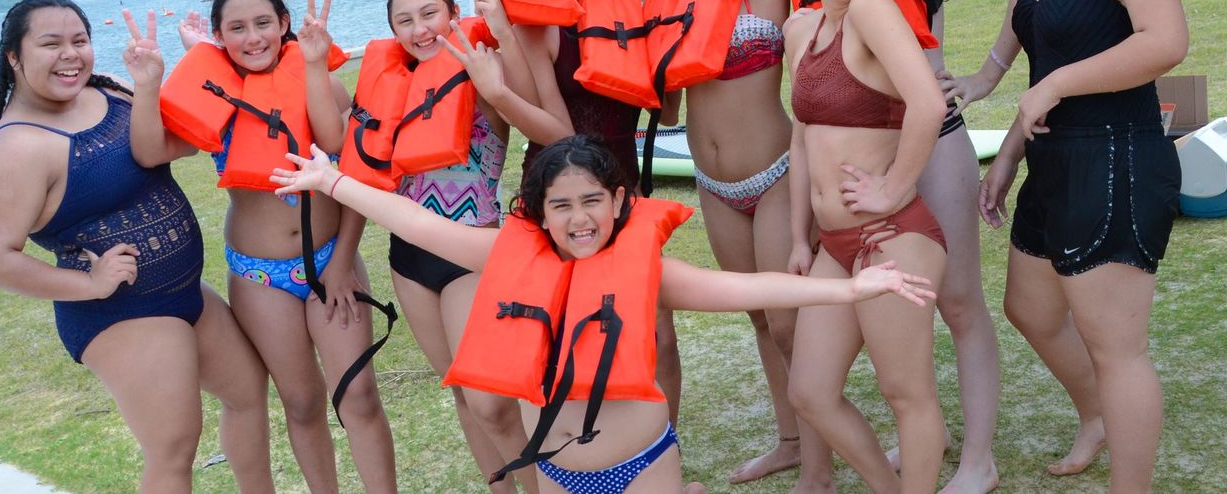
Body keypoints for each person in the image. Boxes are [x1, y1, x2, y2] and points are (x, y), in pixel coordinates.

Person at [273, 134, 936, 494]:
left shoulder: (644, 274)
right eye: (560, 206)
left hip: (643, 466)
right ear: (539, 214)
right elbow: (414, 220)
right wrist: (332, 182)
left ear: (619, 202)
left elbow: (746, 290)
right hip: (560, 473)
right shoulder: (506, 255)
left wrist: (847, 291)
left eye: (592, 201)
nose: (579, 218)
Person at [783, 0, 1031, 494]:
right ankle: (921, 438)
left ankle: (976, 457)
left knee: (956, 299)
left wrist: (987, 72)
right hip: (854, 163)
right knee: (885, 343)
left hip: (932, 140)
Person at [0, 0, 274, 493]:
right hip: (120, 314)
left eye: (80, 40)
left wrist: (169, 75)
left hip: (184, 292)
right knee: (174, 450)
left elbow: (176, 141)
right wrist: (88, 283)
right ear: (13, 57)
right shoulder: (16, 147)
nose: (71, 54)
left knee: (246, 392)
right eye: (51, 44)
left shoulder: (108, 91)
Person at [980, 0, 1186, 491]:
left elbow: (1167, 42)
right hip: (1053, 159)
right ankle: (1098, 416)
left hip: (1117, 156)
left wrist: (1059, 86)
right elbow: (1045, 62)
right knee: (1027, 308)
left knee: (1117, 348)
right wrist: (1008, 154)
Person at [129, 0, 397, 493]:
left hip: (329, 259)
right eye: (236, 28)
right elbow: (149, 151)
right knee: (300, 402)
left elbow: (356, 171)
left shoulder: (316, 77)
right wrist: (147, 84)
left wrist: (342, 261)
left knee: (358, 394)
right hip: (258, 275)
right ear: (218, 37)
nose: (252, 37)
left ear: (284, 25)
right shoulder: (218, 96)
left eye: (262, 24)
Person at [634, 0, 804, 485]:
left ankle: (824, 453)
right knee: (757, 321)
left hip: (774, 175)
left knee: (790, 320)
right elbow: (664, 108)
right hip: (712, 183)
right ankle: (792, 439)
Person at [304, 0, 535, 493]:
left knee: (491, 402)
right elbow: (343, 146)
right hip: (408, 259)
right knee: (460, 393)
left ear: (453, 11)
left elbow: (529, 104)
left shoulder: (479, 74)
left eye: (429, 13)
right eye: (403, 21)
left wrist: (499, 34)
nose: (419, 29)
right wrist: (315, 64)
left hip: (472, 253)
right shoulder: (392, 89)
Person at [776, 0, 950, 493]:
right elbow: (803, 139)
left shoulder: (873, 8)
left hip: (891, 236)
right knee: (811, 392)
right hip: (834, 243)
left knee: (906, 391)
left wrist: (892, 191)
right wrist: (801, 236)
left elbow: (928, 104)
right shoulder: (800, 29)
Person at [493, 0, 684, 420]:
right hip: (558, 197)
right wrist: (500, 91)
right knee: (569, 337)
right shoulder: (538, 20)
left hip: (624, 189)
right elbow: (557, 135)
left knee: (657, 336)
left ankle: (660, 456)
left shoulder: (629, 6)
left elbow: (666, 115)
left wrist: (666, 38)